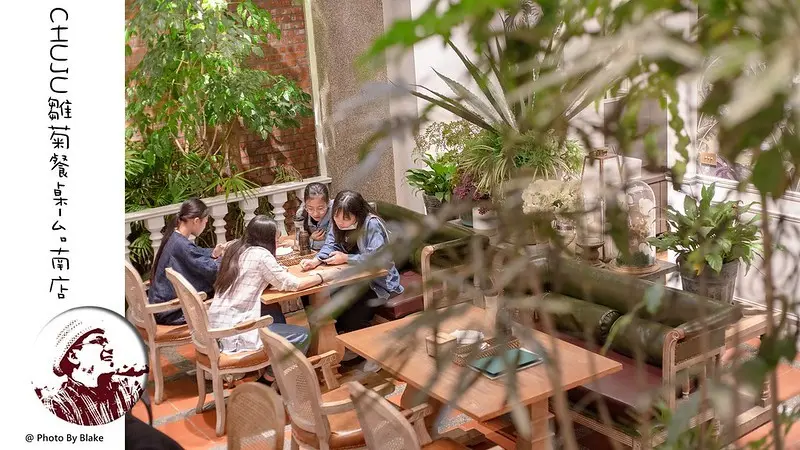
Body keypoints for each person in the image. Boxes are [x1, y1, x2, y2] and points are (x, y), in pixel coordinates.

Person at [208, 216, 337, 369]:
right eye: (275, 240)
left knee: (274, 311)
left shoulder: (235, 248)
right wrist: (323, 276)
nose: (277, 244)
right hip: (238, 331)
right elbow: (294, 284)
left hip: (218, 324)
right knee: (302, 335)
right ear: (266, 239)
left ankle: (272, 367)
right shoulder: (261, 255)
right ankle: (272, 378)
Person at [299, 190, 403, 335]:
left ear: (358, 214)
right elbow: (330, 244)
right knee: (326, 301)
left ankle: (357, 346)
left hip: (378, 284)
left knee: (349, 316)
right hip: (353, 279)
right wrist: (316, 260)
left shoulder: (371, 225)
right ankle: (335, 342)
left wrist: (347, 258)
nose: (340, 221)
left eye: (346, 218)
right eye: (336, 216)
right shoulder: (337, 223)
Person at [39, 320, 146, 426]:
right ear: (74, 356)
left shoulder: (125, 386)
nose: (110, 348)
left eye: (106, 342)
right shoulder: (58, 405)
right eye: (98, 341)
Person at [147, 198, 224, 325]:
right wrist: (227, 259)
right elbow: (210, 269)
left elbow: (195, 253)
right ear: (196, 221)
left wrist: (213, 253)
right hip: (170, 312)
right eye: (205, 222)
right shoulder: (181, 244)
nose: (205, 226)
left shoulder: (175, 238)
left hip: (162, 307)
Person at [294, 182, 333, 251]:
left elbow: (334, 244)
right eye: (310, 209)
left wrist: (308, 242)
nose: (315, 214)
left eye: (320, 208)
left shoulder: (336, 212)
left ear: (328, 203)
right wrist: (311, 238)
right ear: (305, 205)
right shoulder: (301, 214)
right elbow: (298, 240)